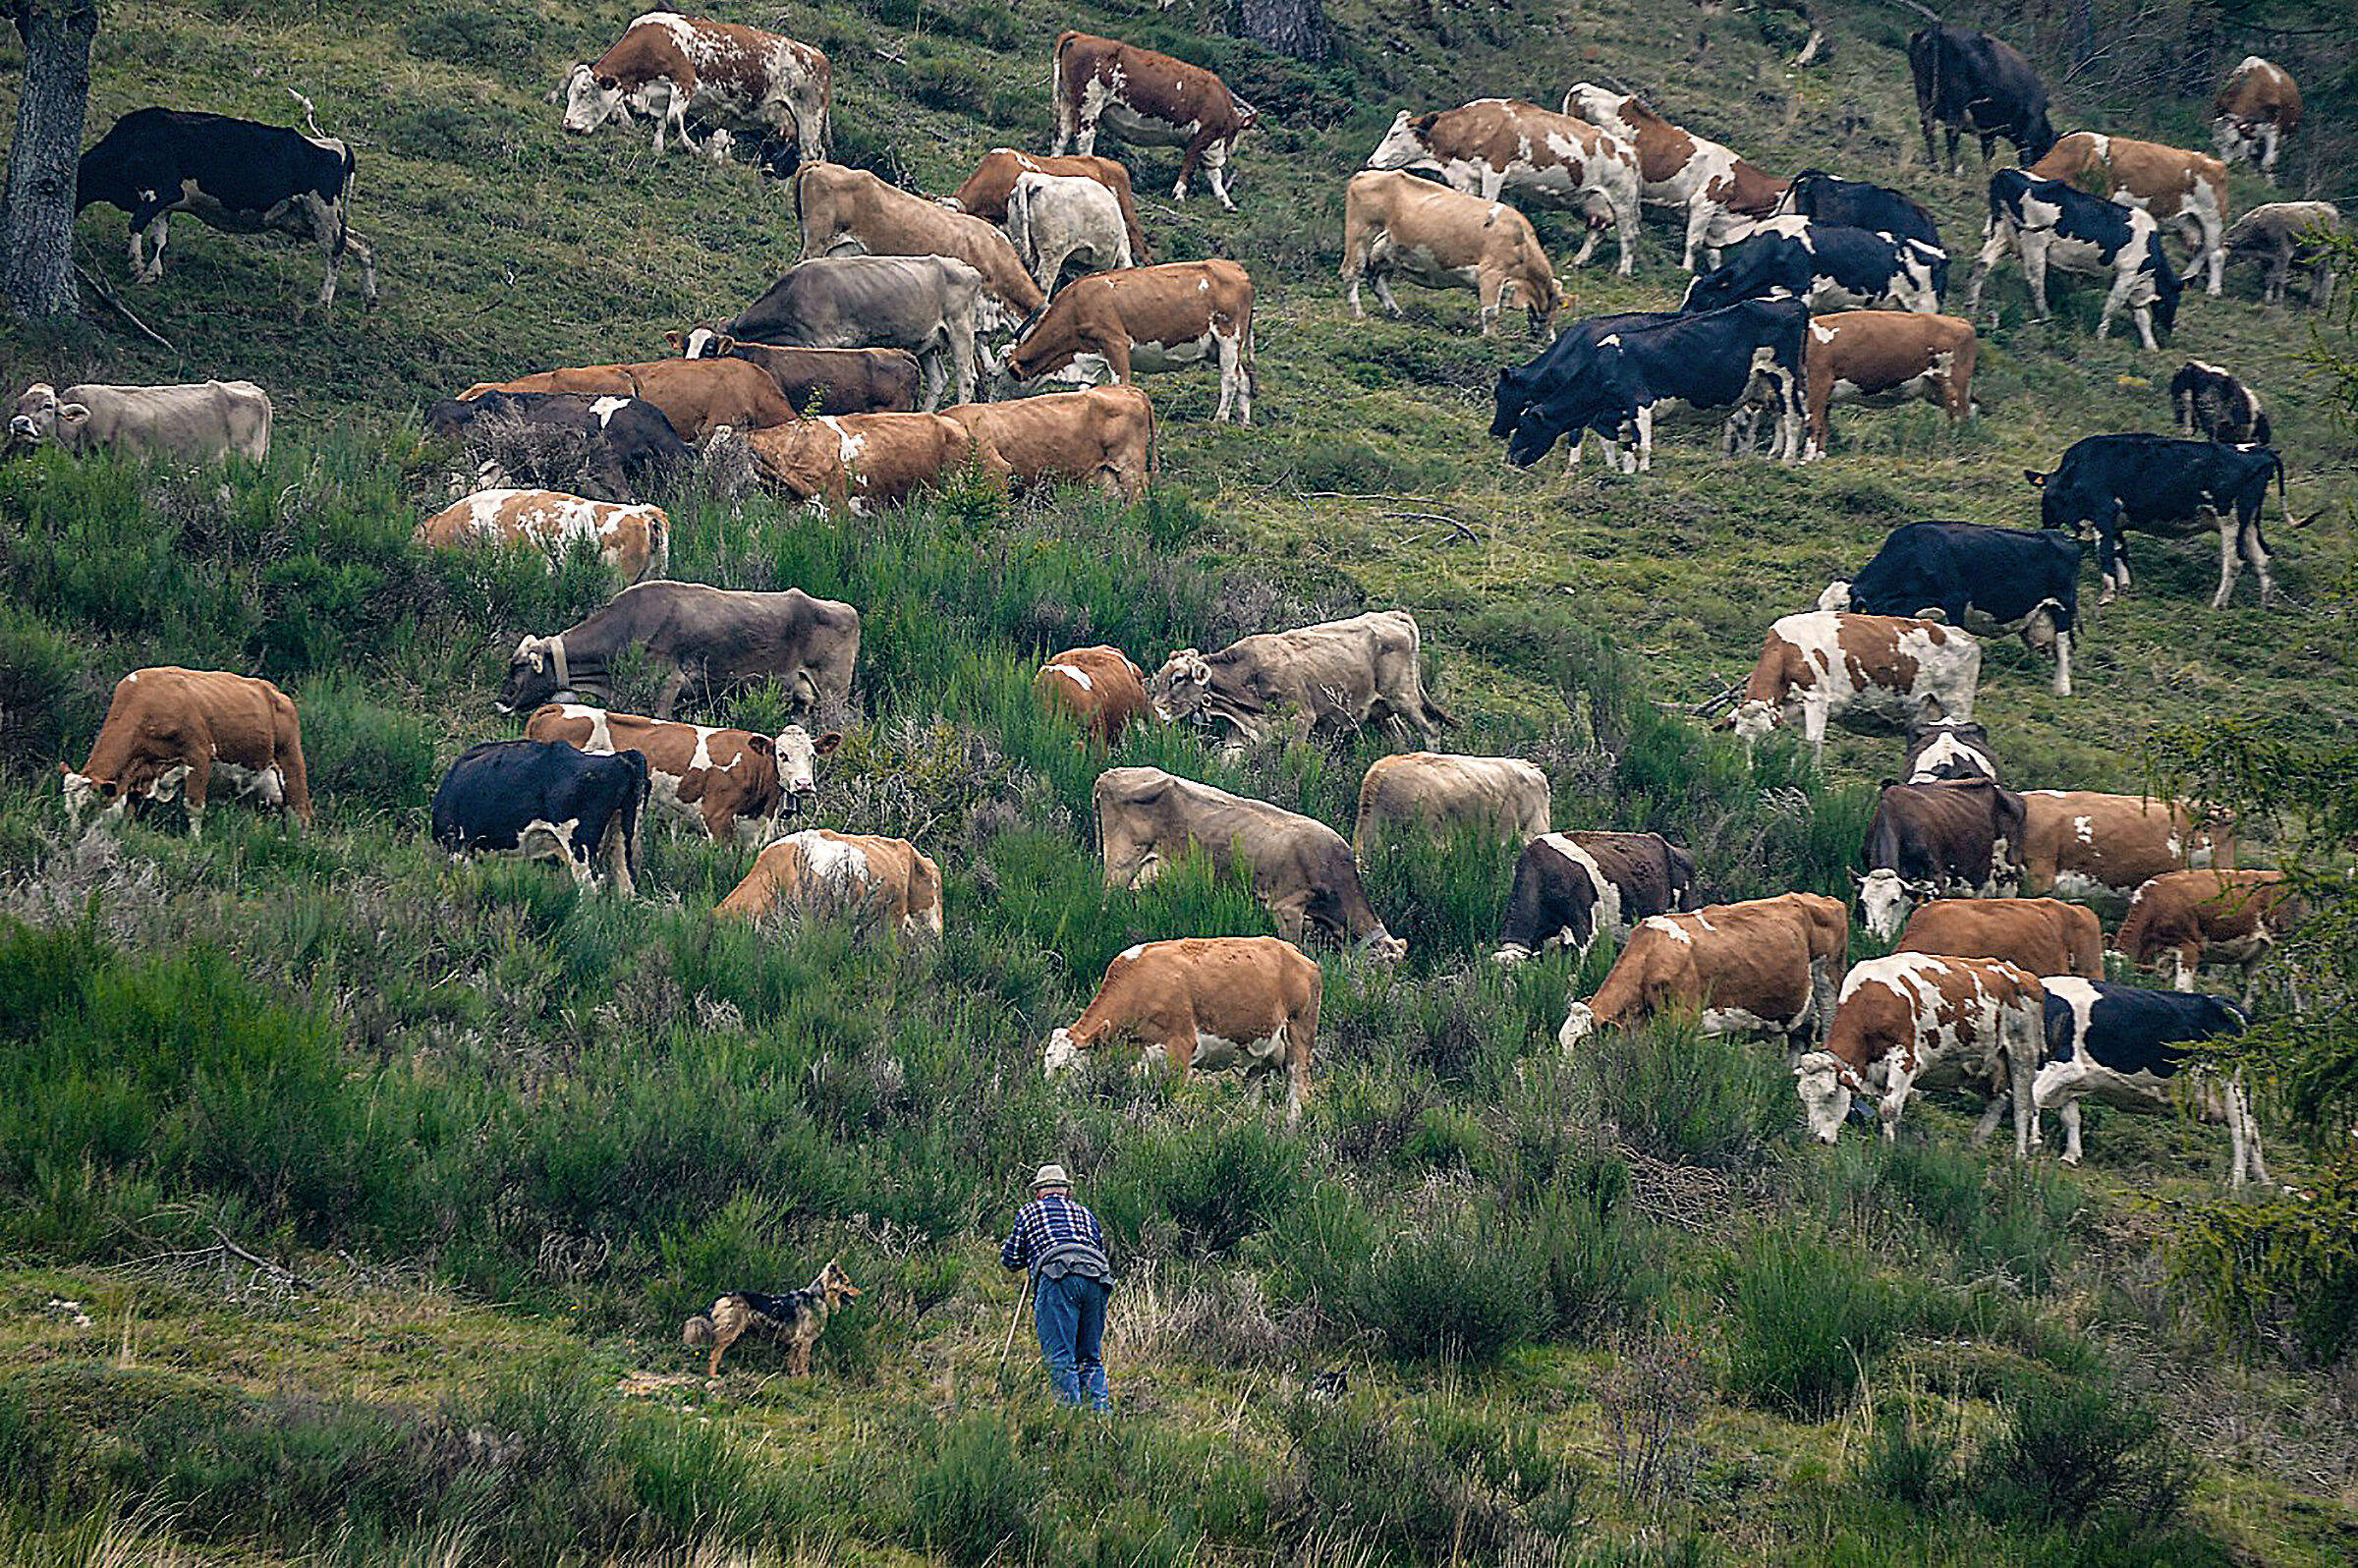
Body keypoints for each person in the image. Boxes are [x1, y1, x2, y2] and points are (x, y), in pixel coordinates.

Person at [1000, 1163, 1114, 1410]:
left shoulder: (1030, 1211)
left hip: (1058, 1275)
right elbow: (1100, 1248)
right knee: (1090, 1358)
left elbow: (1009, 1258)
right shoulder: (1085, 1213)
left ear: (1039, 1192)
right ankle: (1100, 1420)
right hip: (1098, 1277)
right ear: (1066, 1192)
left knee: (1060, 1358)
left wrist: (1030, 1258)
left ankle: (1069, 1423)